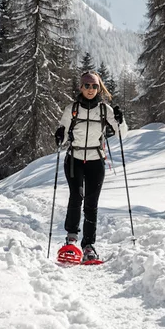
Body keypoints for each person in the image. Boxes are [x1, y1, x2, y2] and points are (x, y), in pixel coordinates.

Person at [54, 70, 127, 263]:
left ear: (99, 88)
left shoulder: (105, 110)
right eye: (87, 85)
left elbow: (122, 134)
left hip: (96, 159)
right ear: (81, 87)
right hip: (75, 159)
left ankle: (88, 246)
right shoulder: (72, 109)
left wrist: (121, 120)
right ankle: (71, 241)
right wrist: (60, 135)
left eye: (94, 86)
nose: (90, 89)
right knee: (76, 196)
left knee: (91, 203)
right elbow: (62, 132)